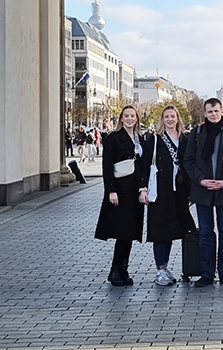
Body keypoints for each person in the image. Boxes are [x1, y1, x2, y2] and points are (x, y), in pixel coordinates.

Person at [183, 98, 223, 287]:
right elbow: (188, 161)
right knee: (205, 233)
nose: (213, 114)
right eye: (210, 111)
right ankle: (207, 273)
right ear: (205, 113)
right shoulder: (196, 133)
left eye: (216, 111)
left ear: (222, 111)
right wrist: (201, 180)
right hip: (203, 190)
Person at [139, 105, 197, 286]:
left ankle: (188, 268)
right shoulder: (155, 140)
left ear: (178, 118)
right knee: (160, 232)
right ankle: (160, 270)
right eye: (166, 117)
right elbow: (145, 165)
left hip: (180, 193)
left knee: (176, 231)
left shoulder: (186, 139)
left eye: (173, 116)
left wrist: (192, 192)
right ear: (162, 119)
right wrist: (143, 189)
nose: (170, 119)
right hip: (160, 192)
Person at [94, 105, 145, 286]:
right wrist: (111, 190)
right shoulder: (113, 139)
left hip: (134, 193)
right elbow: (107, 166)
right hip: (120, 192)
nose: (130, 119)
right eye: (126, 116)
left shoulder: (140, 138)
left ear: (137, 118)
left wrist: (143, 188)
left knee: (130, 233)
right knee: (122, 232)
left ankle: (123, 269)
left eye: (133, 116)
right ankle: (116, 270)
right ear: (121, 119)